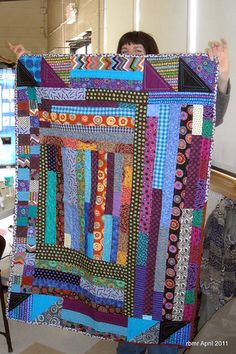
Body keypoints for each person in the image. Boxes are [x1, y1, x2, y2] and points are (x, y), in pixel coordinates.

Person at [9, 31, 230, 354]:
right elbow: (55, 104)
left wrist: (221, 77)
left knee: (158, 316)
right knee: (126, 334)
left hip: (158, 220)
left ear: (151, 55)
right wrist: (29, 66)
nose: (129, 55)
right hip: (113, 222)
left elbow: (210, 115)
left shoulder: (169, 95)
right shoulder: (105, 94)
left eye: (137, 50)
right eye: (123, 50)